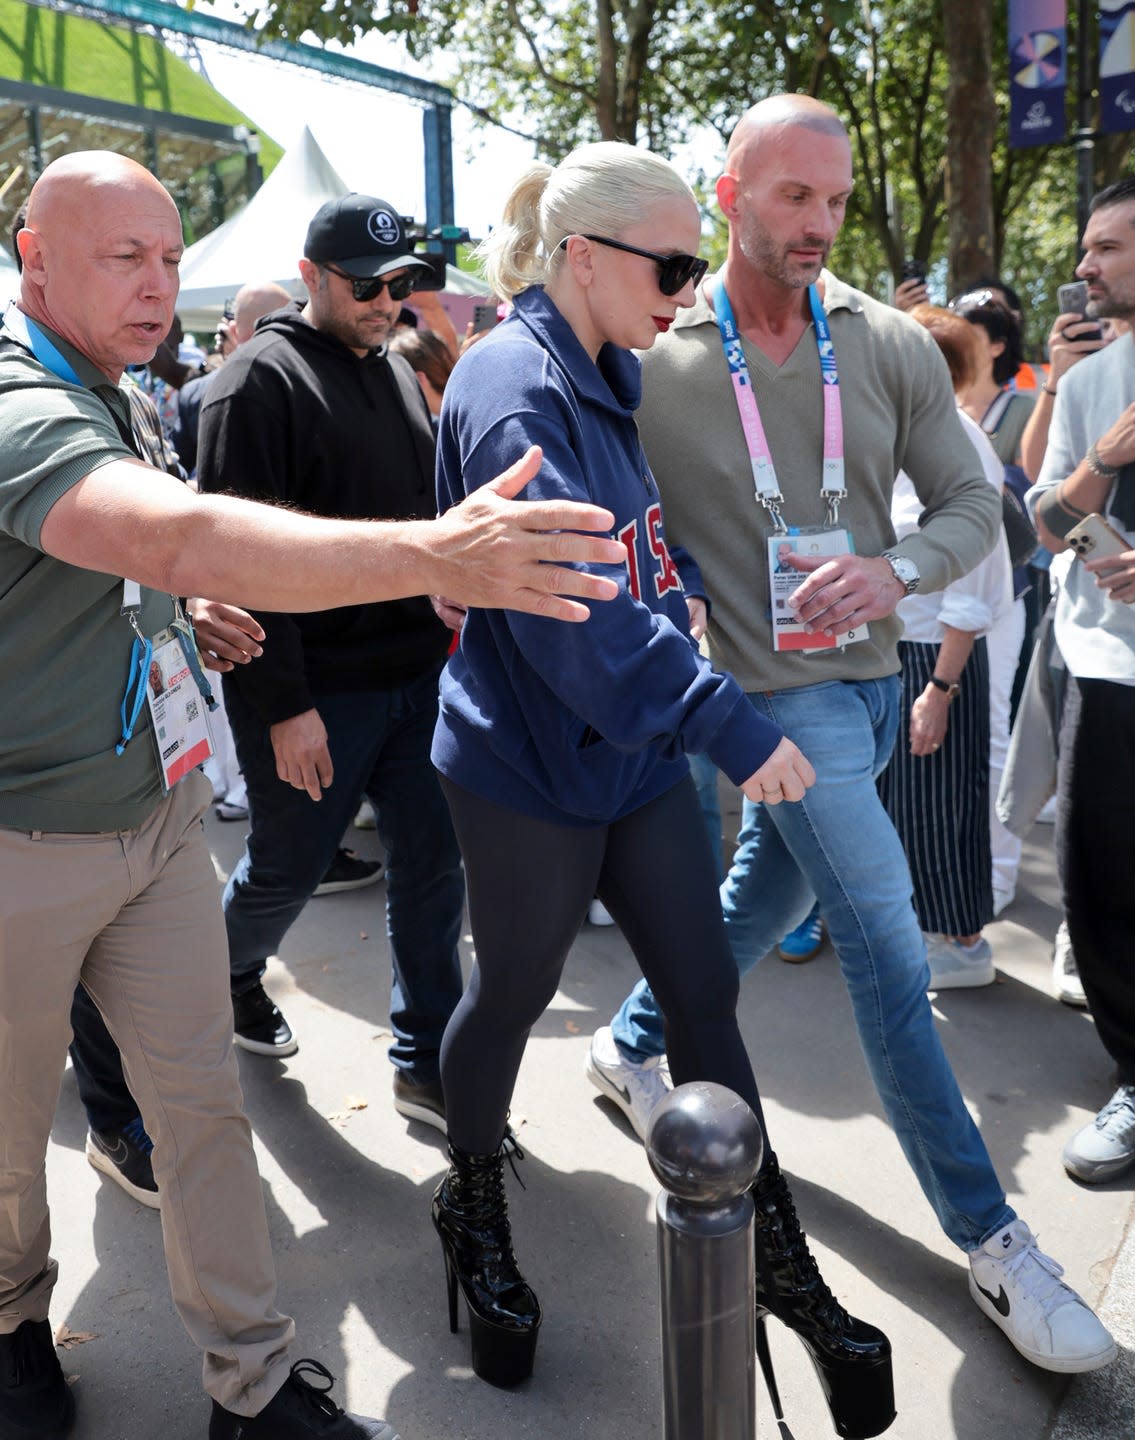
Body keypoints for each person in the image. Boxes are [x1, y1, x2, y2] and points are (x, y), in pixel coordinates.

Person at [0, 149, 625, 1440]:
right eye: (126, 258)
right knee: (6, 1146)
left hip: (159, 821)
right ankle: (13, 1324)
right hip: (25, 845)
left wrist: (184, 614)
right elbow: (169, 527)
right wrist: (436, 553)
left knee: (207, 1115)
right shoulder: (20, 395)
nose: (159, 287)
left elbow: (142, 560)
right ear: (33, 256)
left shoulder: (113, 383)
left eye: (171, 258)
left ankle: (252, 1381)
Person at [586, 95, 1116, 1376]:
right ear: (729, 196)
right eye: (792, 197)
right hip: (774, 700)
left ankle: (628, 1043)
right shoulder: (654, 358)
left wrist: (888, 571)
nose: (820, 222)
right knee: (884, 942)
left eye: (833, 200)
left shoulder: (881, 342)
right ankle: (993, 1236)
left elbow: (974, 505)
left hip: (879, 683)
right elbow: (606, 516)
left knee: (761, 897)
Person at [430, 141, 895, 1439]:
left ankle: (771, 1247)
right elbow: (571, 612)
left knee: (701, 993)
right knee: (512, 994)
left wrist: (702, 583)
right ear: (582, 256)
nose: (690, 289)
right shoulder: (509, 390)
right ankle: (469, 1192)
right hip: (524, 774)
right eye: (674, 263)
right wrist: (724, 725)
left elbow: (639, 552)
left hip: (627, 767)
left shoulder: (615, 373)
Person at [196, 197, 465, 1140]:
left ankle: (427, 1059)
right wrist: (284, 708)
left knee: (433, 870)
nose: (388, 300)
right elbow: (234, 566)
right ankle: (221, 976)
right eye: (367, 283)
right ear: (312, 275)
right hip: (320, 694)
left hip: (420, 679)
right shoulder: (252, 386)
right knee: (287, 868)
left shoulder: (391, 371)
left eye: (400, 283)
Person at [1028, 176, 1135, 1184]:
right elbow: (1044, 523)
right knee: (1099, 874)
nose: (1084, 267)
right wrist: (1100, 458)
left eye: (1105, 248)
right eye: (1086, 248)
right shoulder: (1093, 375)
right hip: (1101, 666)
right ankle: (1133, 1073)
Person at [877, 305, 1014, 985]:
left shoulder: (961, 443)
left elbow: (974, 581)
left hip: (937, 655)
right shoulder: (899, 438)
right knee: (909, 804)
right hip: (897, 648)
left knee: (941, 804)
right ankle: (934, 937)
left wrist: (940, 687)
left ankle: (959, 943)